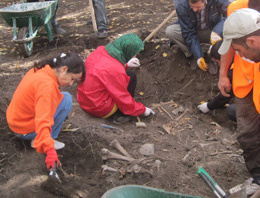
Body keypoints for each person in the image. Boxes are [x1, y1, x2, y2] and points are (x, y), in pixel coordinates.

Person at [6, 52, 85, 171]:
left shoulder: (42, 69)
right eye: (72, 79)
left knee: (64, 97)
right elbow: (43, 120)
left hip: (16, 120)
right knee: (67, 100)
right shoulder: (47, 87)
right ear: (64, 69)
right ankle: (44, 139)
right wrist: (50, 150)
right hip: (24, 130)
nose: (70, 83)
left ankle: (41, 138)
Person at [218, 8, 260, 196]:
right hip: (246, 85)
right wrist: (223, 74)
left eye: (239, 52)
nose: (239, 56)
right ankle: (258, 177)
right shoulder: (237, 9)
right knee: (247, 133)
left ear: (251, 41)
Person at [77, 33, 154, 124]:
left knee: (127, 75)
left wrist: (125, 65)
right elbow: (122, 98)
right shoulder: (116, 70)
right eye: (134, 54)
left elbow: (104, 68)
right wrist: (142, 110)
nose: (135, 57)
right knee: (131, 77)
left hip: (84, 99)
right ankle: (121, 115)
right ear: (127, 51)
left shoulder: (100, 50)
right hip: (98, 108)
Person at [166, 0, 230, 74]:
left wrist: (217, 31)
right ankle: (191, 55)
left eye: (198, 7)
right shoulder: (182, 3)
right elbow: (189, 32)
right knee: (171, 31)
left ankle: (215, 58)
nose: (194, 10)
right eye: (192, 7)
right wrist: (198, 56)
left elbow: (230, 14)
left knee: (230, 30)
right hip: (195, 31)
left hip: (212, 30)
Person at [197, 40, 236, 122]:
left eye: (217, 62)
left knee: (232, 110)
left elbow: (225, 96)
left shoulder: (233, 71)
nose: (218, 65)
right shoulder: (240, 57)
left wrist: (208, 106)